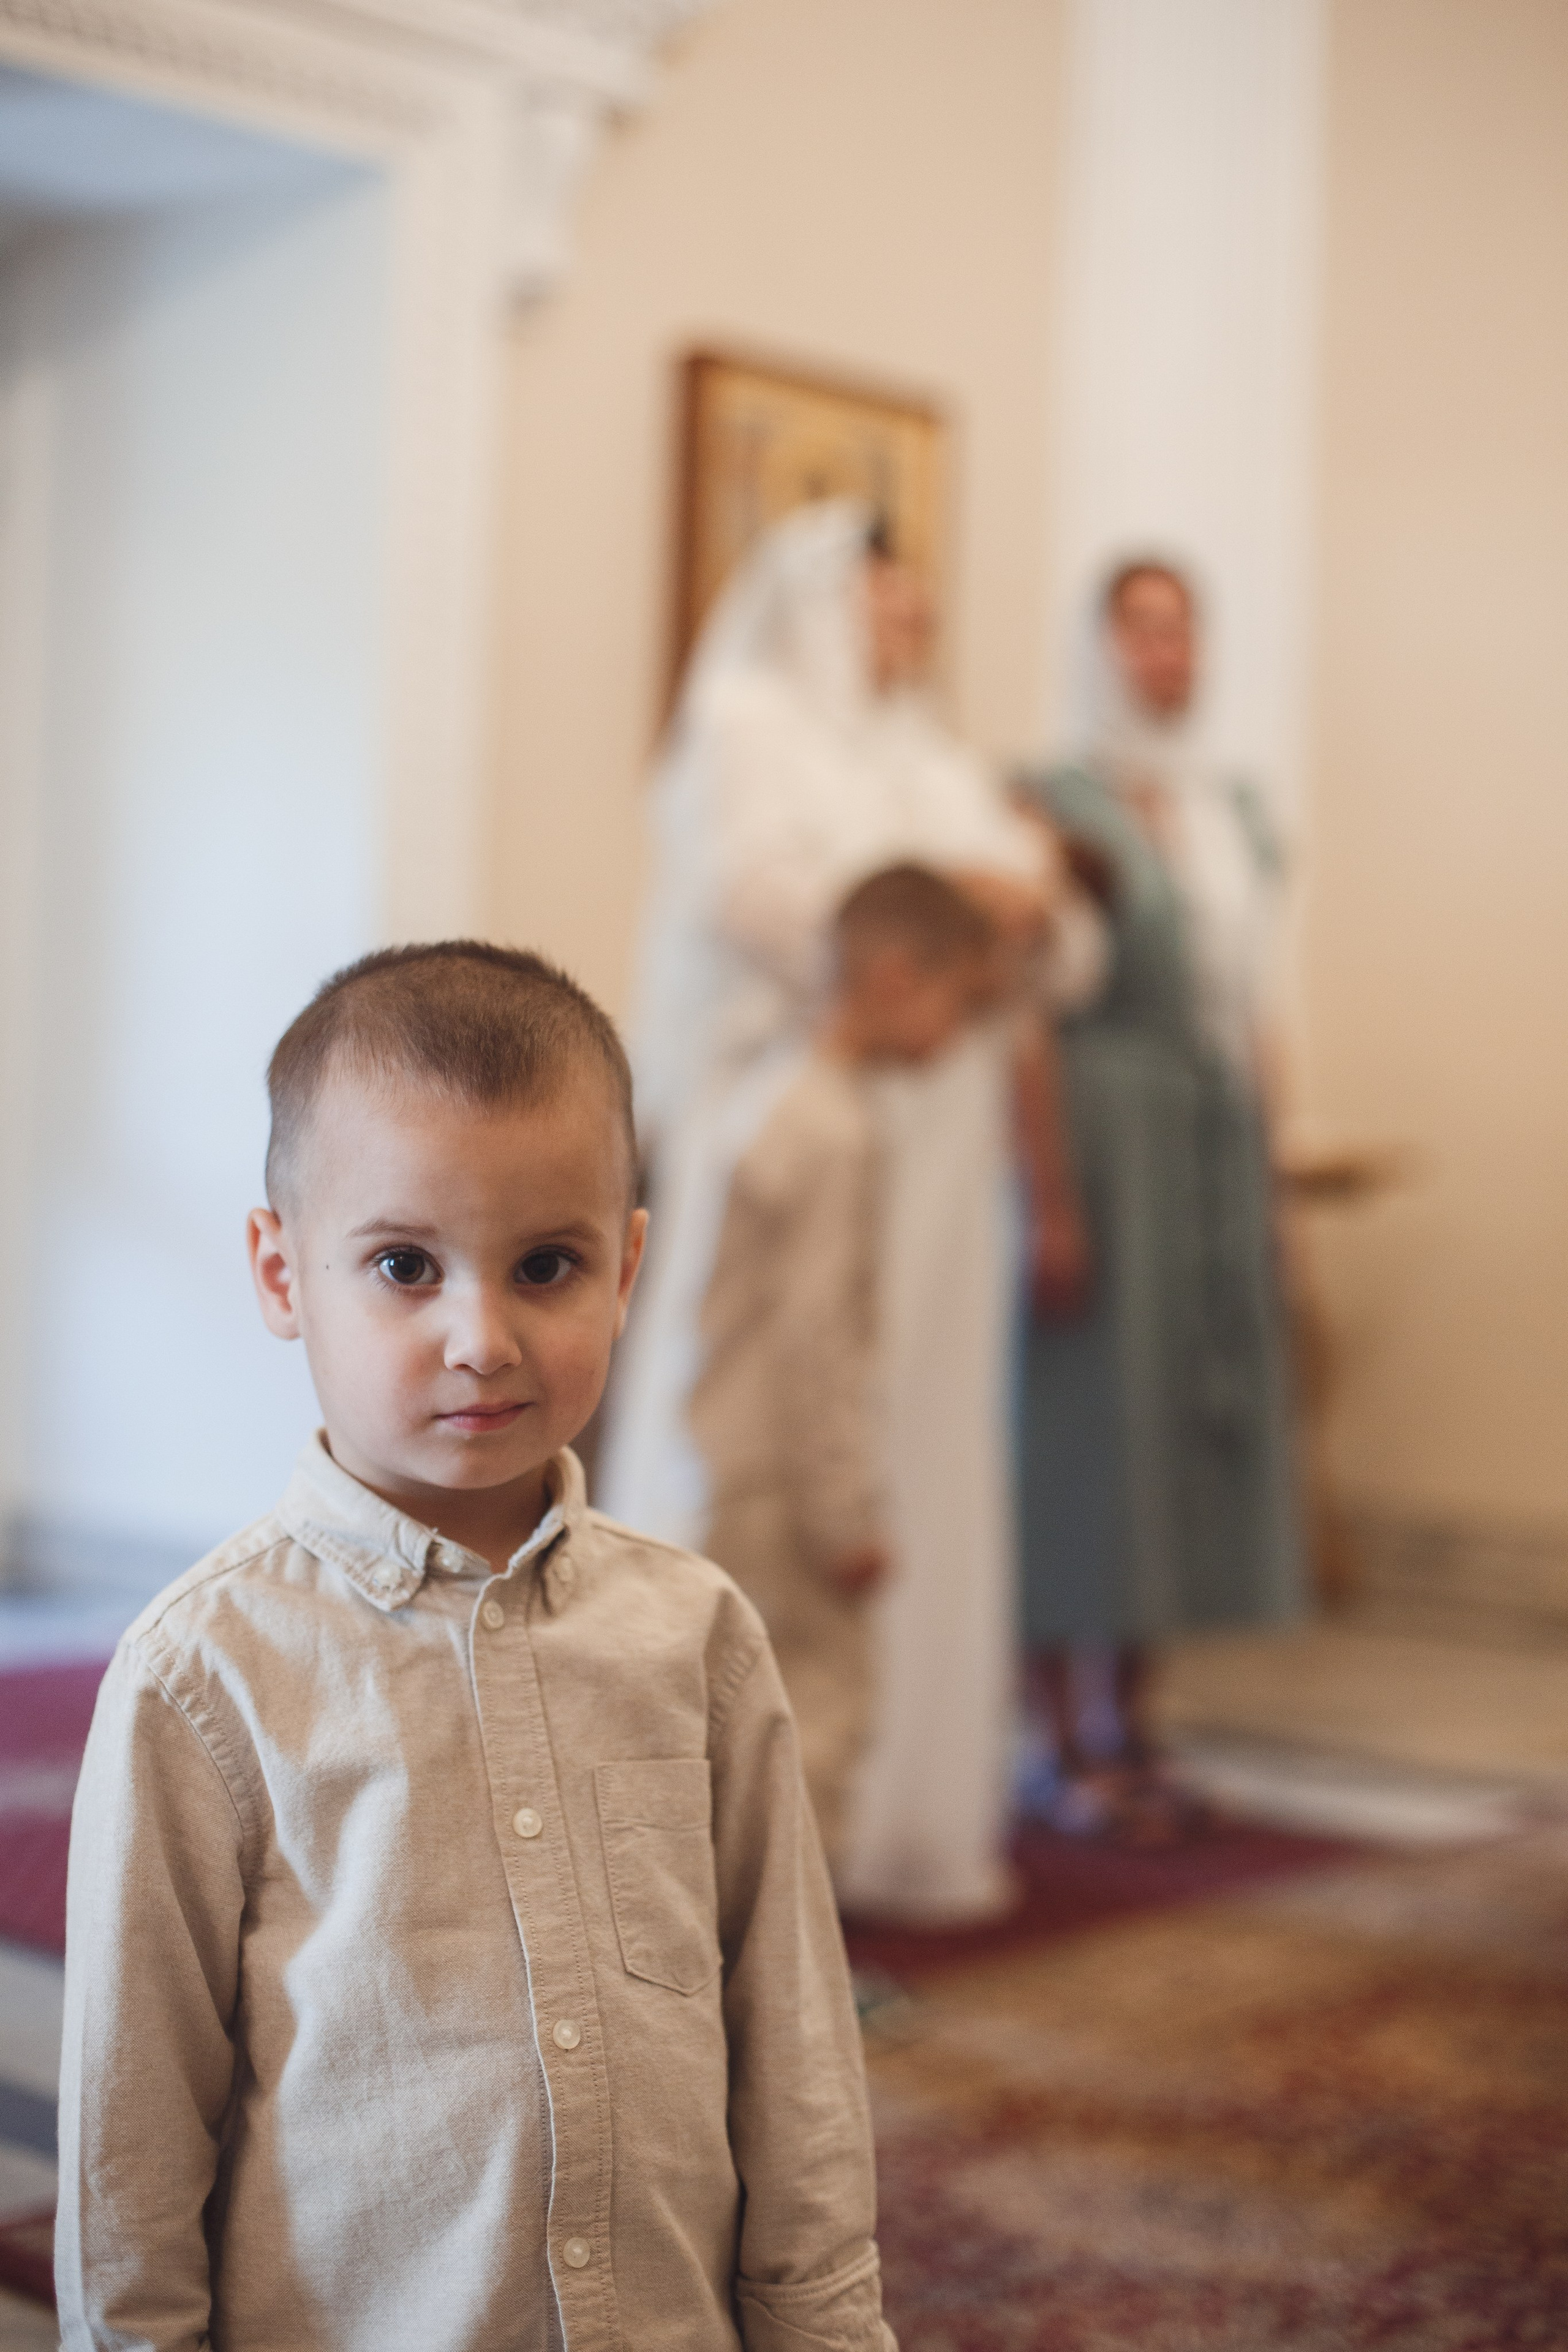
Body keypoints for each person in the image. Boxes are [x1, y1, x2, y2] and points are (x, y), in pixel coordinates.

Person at [55, 942, 896, 2352]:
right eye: (404, 1266)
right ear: (281, 1272)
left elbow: (794, 2047)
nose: (481, 1338)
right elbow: (130, 2129)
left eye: (545, 1266)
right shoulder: (203, 1675)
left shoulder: (697, 1639)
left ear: (626, 1268)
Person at [600, 500, 1090, 1923]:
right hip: (809, 1111)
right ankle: (716, 1858)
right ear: (825, 594)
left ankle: (902, 1811)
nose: (911, 618)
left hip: (940, 1148)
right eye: (888, 591)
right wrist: (950, 905)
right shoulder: (747, 719)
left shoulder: (928, 751)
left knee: (922, 1428)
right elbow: (758, 901)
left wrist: (1014, 908)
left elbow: (1056, 941)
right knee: (792, 1402)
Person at [1014, 558, 1303, 1836]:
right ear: (1096, 646)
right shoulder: (1049, 800)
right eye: (1139, 629)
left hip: (1207, 1140)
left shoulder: (1227, 807)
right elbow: (1027, 1012)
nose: (1164, 655)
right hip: (1101, 1132)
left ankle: (1131, 1719)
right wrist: (1048, 1198)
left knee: (1174, 1427)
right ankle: (1052, 1737)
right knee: (1079, 1422)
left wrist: (1272, 1180)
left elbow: (1250, 1004)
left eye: (1183, 631)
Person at [689, 864, 997, 1877]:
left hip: (731, 1463)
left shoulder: (775, 1095)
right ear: (898, 977)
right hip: (785, 1483)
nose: (962, 1037)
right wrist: (844, 1514)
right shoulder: (832, 1130)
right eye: (962, 1002)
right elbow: (813, 1339)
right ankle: (798, 1960)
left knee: (738, 1733)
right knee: (816, 1720)